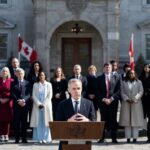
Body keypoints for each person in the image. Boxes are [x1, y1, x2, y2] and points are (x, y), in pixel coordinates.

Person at [56, 78, 96, 150]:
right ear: (69, 90)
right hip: (66, 143)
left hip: (84, 142)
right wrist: (68, 121)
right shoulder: (62, 104)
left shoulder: (89, 104)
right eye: (74, 89)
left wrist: (87, 121)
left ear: (81, 89)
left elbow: (94, 122)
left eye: (78, 88)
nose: (76, 91)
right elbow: (57, 124)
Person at [96, 63, 120, 143]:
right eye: (106, 67)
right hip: (103, 103)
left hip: (113, 102)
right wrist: (104, 99)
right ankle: (102, 137)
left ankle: (114, 138)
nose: (108, 69)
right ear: (103, 69)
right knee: (103, 120)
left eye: (109, 67)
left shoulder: (116, 77)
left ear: (111, 68)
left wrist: (111, 99)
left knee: (113, 120)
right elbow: (97, 91)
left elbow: (118, 90)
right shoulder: (99, 78)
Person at [119, 69, 144, 143]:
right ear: (128, 74)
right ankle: (128, 138)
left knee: (135, 122)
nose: (131, 75)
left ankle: (135, 138)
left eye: (132, 73)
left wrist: (135, 98)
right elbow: (122, 92)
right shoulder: (124, 82)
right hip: (126, 104)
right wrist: (126, 99)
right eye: (130, 74)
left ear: (135, 74)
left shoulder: (139, 82)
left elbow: (141, 91)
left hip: (136, 104)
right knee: (127, 123)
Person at [30, 71, 53, 144]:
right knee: (38, 122)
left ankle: (46, 138)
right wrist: (39, 104)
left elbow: (50, 95)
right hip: (37, 106)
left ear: (45, 76)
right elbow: (34, 95)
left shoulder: (48, 84)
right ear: (38, 76)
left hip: (46, 106)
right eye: (40, 75)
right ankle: (39, 138)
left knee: (46, 122)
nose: (41, 76)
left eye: (43, 75)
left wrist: (44, 104)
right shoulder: (35, 85)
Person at [11, 68, 31, 143]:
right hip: (16, 105)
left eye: (21, 73)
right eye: (18, 73)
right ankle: (17, 138)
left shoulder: (27, 83)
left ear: (24, 74)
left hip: (25, 105)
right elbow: (12, 93)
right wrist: (18, 100)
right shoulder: (13, 83)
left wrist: (24, 100)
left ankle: (24, 138)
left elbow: (29, 94)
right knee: (16, 122)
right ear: (16, 74)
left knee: (24, 123)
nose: (20, 74)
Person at [0, 67, 13, 143]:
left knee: (7, 120)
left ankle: (6, 135)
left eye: (6, 71)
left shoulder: (11, 81)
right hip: (0, 102)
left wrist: (8, 99)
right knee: (1, 119)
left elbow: (13, 92)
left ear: (8, 73)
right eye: (3, 71)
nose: (5, 72)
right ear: (1, 72)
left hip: (8, 102)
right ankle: (1, 135)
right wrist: (0, 99)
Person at [139, 64, 150, 143]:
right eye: (145, 67)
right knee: (143, 119)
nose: (146, 68)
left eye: (148, 67)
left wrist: (147, 91)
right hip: (142, 101)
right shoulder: (141, 77)